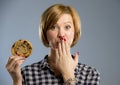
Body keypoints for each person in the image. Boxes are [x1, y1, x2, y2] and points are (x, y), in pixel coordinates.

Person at [6, 4, 100, 85]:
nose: (61, 34)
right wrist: (17, 81)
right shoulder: (26, 74)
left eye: (67, 27)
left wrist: (68, 74)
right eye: (53, 27)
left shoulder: (90, 74)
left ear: (75, 32)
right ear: (44, 33)